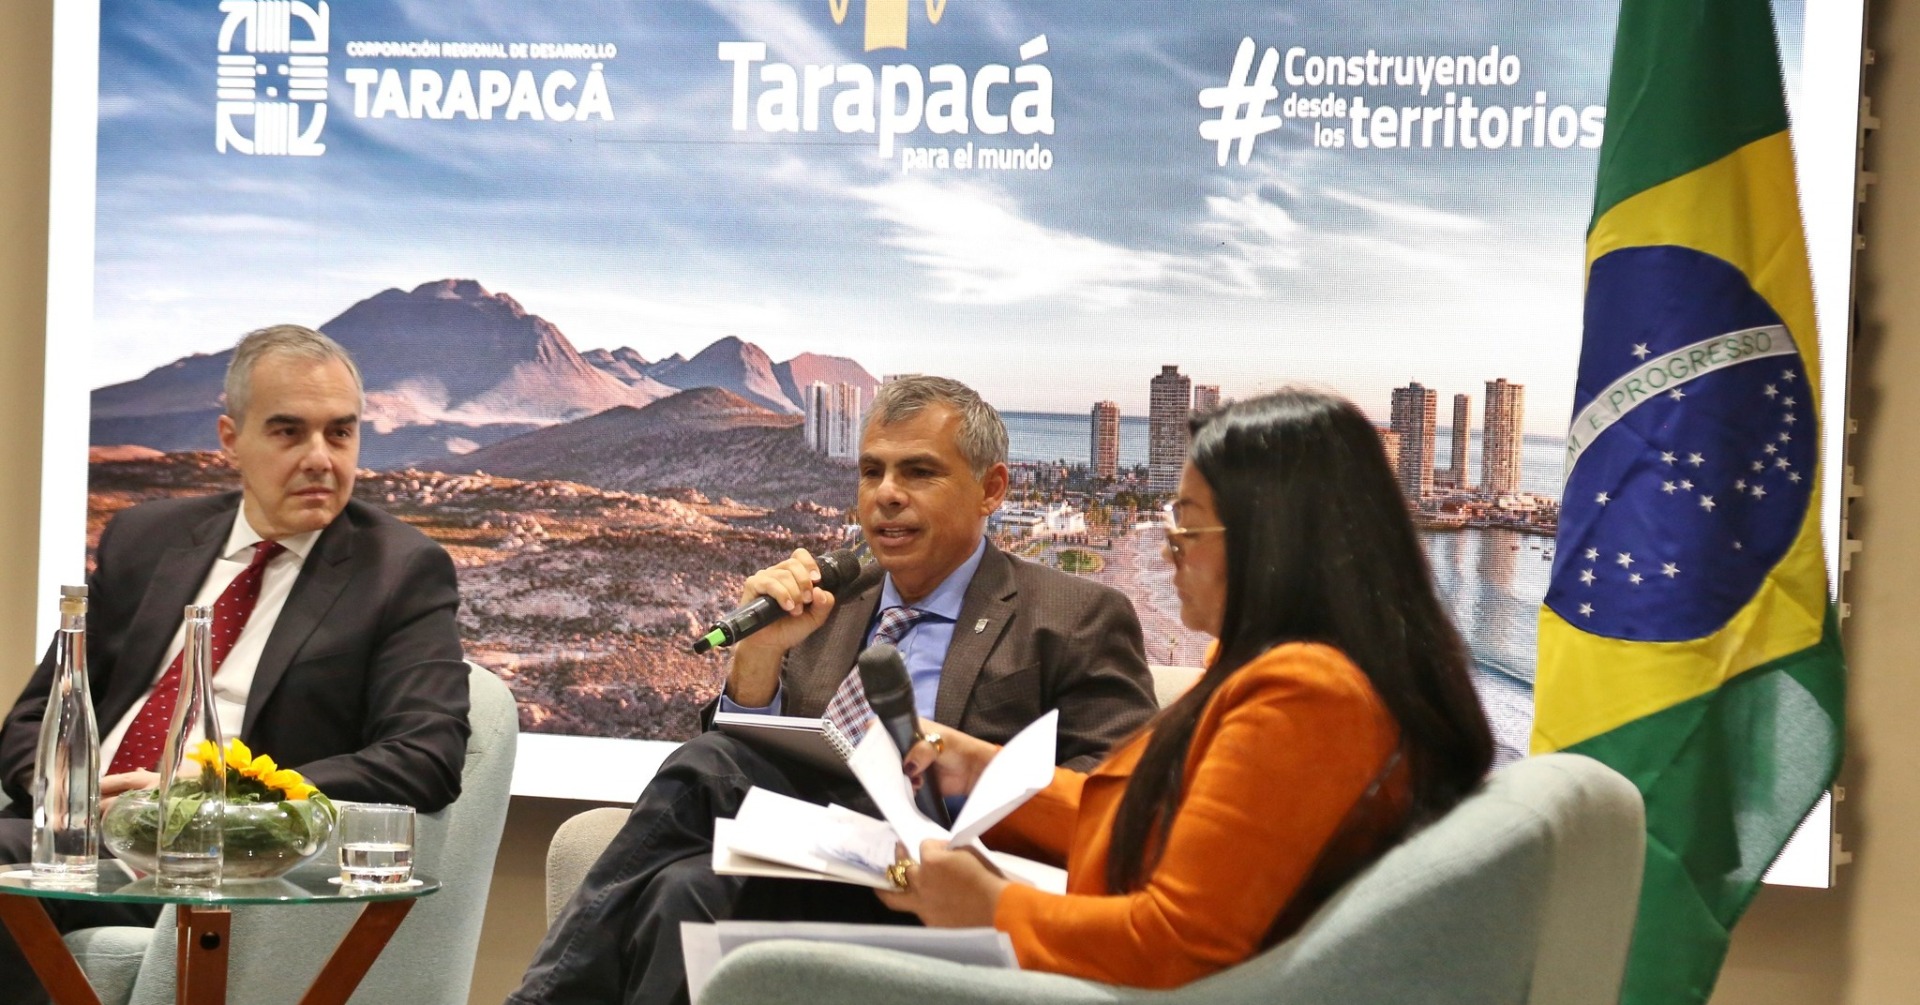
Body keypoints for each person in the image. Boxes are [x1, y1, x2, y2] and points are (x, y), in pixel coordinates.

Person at [510, 376, 1158, 1005]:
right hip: (813, 866)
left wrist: (955, 790)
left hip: (940, 889)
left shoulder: (1075, 616)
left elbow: (1120, 810)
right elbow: (758, 774)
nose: (886, 494)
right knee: (681, 887)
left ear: (992, 489)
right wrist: (759, 656)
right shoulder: (830, 605)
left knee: (707, 766)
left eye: (919, 472)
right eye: (871, 471)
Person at [879, 388, 1496, 988]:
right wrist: (983, 771)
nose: (1170, 548)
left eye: (1189, 524)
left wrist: (988, 907)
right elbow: (1148, 825)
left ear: (1272, 541)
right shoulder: (1296, 671)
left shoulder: (1307, 696)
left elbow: (1177, 946)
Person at [0, 325, 471, 998]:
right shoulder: (146, 538)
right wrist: (71, 793)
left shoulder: (400, 571)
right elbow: (34, 720)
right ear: (230, 438)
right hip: (79, 836)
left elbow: (426, 754)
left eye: (341, 433)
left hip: (217, 862)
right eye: (288, 432)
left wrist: (222, 796)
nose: (320, 458)